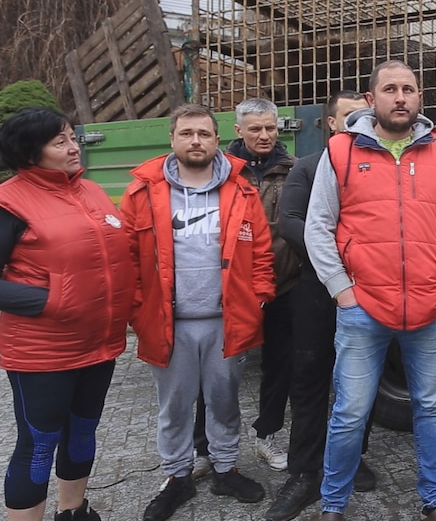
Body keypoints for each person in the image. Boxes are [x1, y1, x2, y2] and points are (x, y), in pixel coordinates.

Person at [305, 61, 436, 521]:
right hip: (363, 307)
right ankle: (334, 504)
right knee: (349, 413)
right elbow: (318, 226)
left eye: (408, 90)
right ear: (371, 100)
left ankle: (435, 500)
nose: (399, 97)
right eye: (389, 89)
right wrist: (341, 289)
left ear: (419, 98)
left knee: (431, 409)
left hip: (429, 307)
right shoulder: (340, 151)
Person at [121, 104, 275, 521]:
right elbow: (127, 259)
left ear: (216, 138)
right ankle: (176, 477)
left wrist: (258, 299)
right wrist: (137, 310)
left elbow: (261, 251)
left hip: (227, 322)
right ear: (172, 139)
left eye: (204, 134)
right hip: (169, 324)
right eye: (187, 133)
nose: (195, 141)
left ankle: (226, 468)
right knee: (174, 406)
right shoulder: (142, 193)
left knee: (224, 402)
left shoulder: (242, 190)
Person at [0, 108, 135, 521]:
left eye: (73, 137)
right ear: (29, 151)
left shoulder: (91, 192)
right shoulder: (9, 202)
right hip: (43, 351)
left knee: (82, 432)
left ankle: (73, 511)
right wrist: (52, 301)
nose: (75, 147)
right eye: (60, 141)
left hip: (99, 343)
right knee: (39, 444)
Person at [265, 90, 377, 521]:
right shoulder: (309, 166)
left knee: (360, 380)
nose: (356, 121)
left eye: (362, 115)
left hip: (368, 290)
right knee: (310, 379)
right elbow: (291, 221)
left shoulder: (375, 169)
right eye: (348, 116)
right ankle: (304, 471)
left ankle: (353, 456)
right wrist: (337, 260)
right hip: (318, 288)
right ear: (331, 123)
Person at [225, 97, 302, 471]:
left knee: (279, 367)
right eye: (255, 128)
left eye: (270, 127)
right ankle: (207, 450)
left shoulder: (295, 170)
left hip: (284, 285)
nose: (264, 135)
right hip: (235, 292)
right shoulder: (223, 173)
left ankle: (266, 436)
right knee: (222, 373)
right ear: (238, 131)